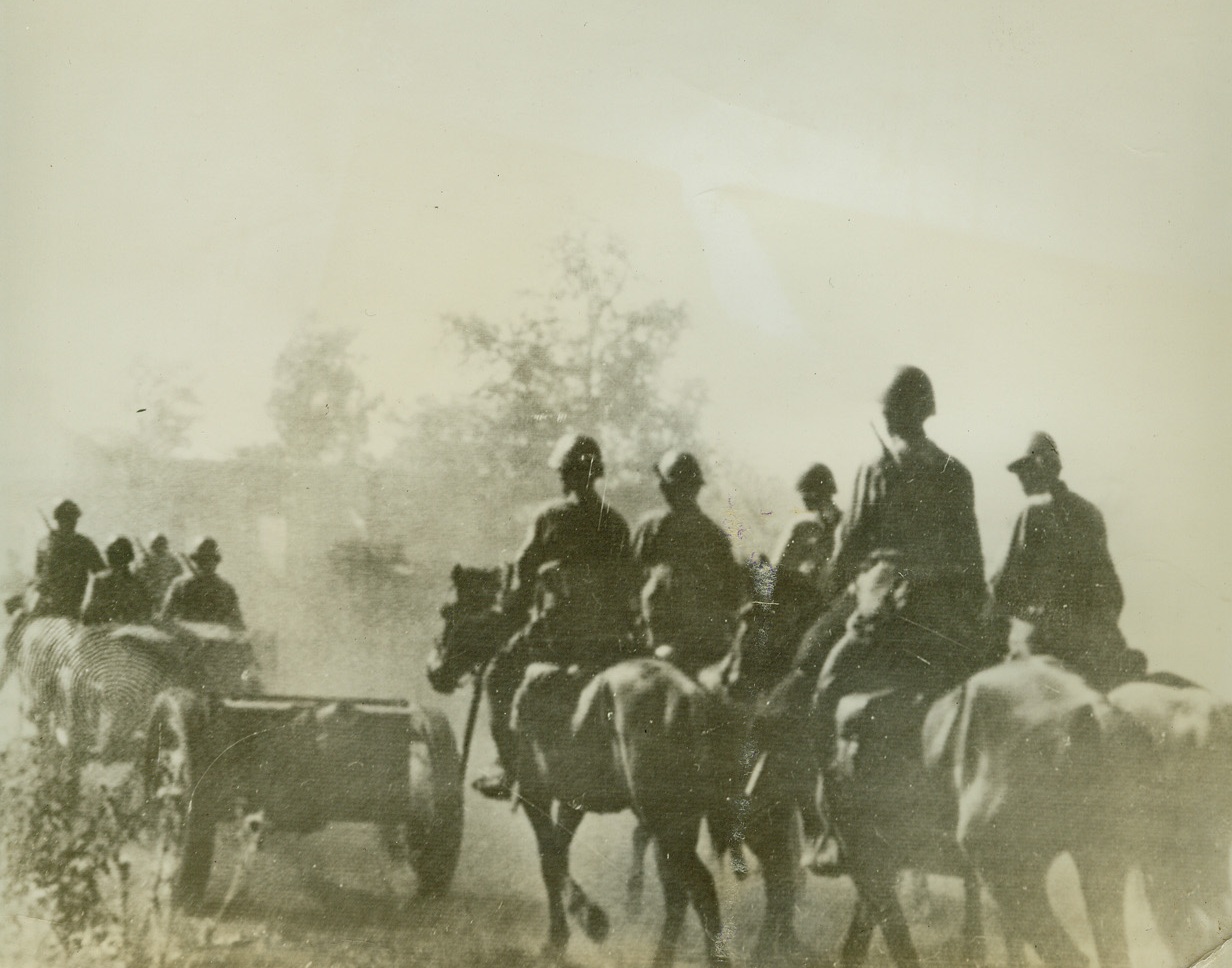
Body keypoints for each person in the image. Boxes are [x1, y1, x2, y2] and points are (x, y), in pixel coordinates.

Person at [805, 366, 988, 872]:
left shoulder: (874, 469)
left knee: (820, 686)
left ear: (890, 414)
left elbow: (849, 547)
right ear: (926, 411)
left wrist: (835, 586)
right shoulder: (957, 470)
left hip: (887, 612)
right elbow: (972, 561)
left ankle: (831, 829)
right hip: (948, 619)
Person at [475, 434, 639, 800]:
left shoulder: (551, 517)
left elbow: (523, 569)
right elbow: (629, 582)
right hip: (611, 637)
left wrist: (510, 609)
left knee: (497, 674)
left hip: (558, 632)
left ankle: (506, 765)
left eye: (564, 473)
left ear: (567, 475)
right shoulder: (615, 522)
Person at [991, 432, 1140, 689]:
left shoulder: (1032, 512)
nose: (1020, 478)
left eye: (1025, 470)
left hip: (1044, 640)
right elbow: (1112, 591)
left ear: (1041, 468)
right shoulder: (1090, 512)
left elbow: (1000, 587)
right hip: (1094, 641)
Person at [632, 450, 746, 675]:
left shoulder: (651, 528)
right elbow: (733, 596)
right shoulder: (715, 536)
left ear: (666, 488)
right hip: (707, 647)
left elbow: (629, 581)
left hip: (663, 646)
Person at [771, 463, 843, 645]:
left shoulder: (845, 526)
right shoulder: (801, 527)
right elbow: (778, 570)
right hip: (801, 604)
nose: (805, 500)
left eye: (809, 496)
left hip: (832, 604)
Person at [32, 499, 105, 618]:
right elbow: (38, 576)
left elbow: (100, 572)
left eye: (72, 519)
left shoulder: (83, 544)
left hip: (72, 606)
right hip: (50, 606)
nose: (70, 522)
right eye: (66, 518)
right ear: (58, 519)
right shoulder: (47, 544)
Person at [159, 537, 244, 629]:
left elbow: (237, 625)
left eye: (210, 560)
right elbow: (165, 619)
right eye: (202, 560)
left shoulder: (226, 589)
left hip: (217, 639)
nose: (206, 564)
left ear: (216, 562)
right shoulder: (180, 585)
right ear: (195, 561)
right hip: (186, 638)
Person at [82, 537, 151, 625]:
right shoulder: (138, 583)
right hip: (121, 630)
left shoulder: (101, 580)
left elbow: (88, 614)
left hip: (110, 631)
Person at [135, 533, 183, 609]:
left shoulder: (171, 559)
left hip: (163, 593)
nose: (159, 547)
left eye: (161, 544)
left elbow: (179, 574)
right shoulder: (171, 559)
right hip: (155, 593)